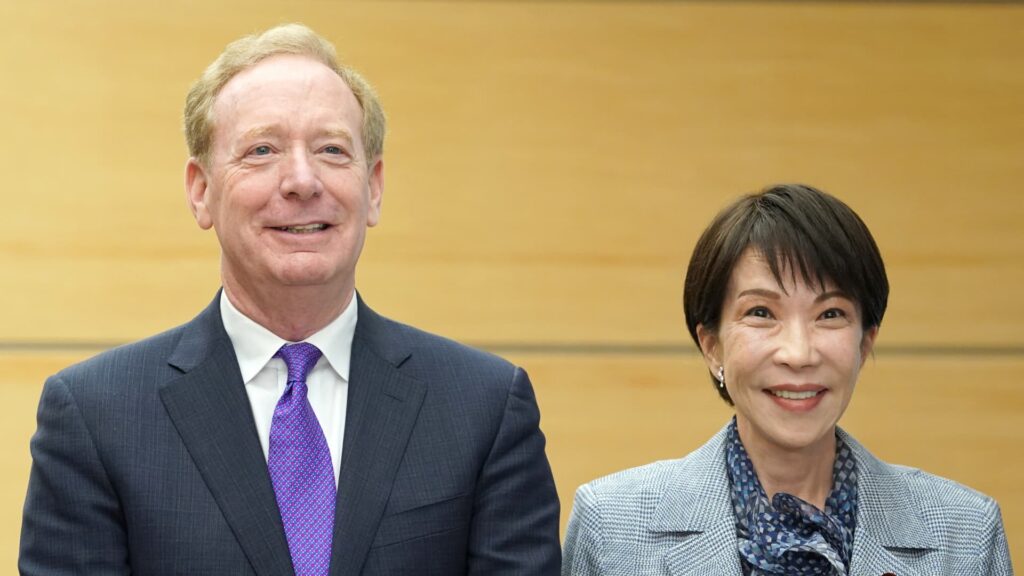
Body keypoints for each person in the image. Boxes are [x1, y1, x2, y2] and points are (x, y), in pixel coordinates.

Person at [20, 23, 560, 576]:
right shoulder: (96, 416)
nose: (302, 180)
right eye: (262, 150)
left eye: (331, 150)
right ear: (201, 191)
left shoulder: (484, 407)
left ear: (373, 187)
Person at [562, 184, 1012, 575]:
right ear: (711, 345)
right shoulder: (613, 527)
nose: (798, 353)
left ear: (865, 343)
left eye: (830, 314)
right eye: (761, 312)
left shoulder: (964, 533)